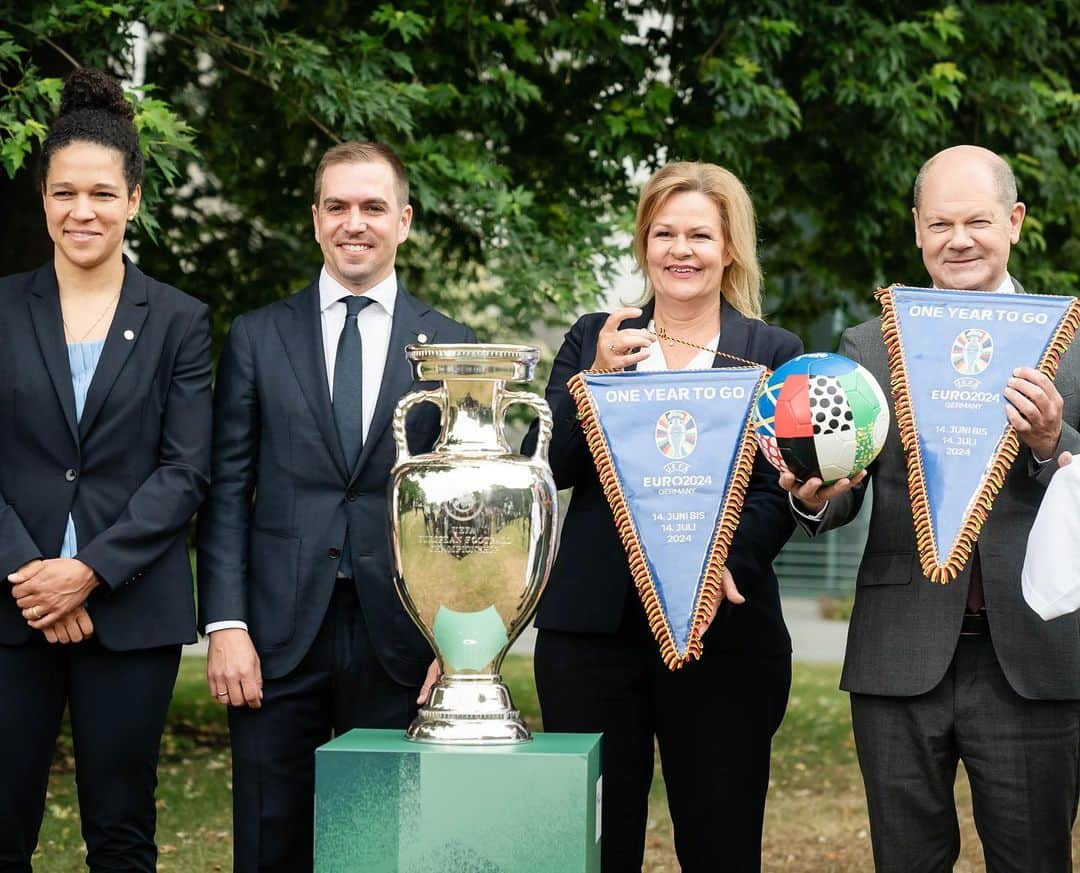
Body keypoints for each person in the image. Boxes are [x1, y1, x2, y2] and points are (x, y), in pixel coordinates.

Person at [782, 145, 1080, 872]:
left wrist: (1052, 442)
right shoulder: (870, 346)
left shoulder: (1069, 343)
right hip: (899, 655)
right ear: (917, 229)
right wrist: (817, 494)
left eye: (977, 220)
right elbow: (842, 491)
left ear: (1013, 222)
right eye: (940, 222)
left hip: (1034, 661)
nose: (959, 239)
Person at [196, 140, 475, 872]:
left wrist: (460, 646)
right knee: (269, 838)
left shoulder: (450, 344)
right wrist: (225, 623)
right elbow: (226, 490)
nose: (356, 222)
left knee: (378, 846)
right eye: (338, 206)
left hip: (401, 638)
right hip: (274, 637)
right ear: (316, 218)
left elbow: (465, 512)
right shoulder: (258, 336)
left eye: (373, 207)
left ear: (404, 220)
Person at [523, 161, 803, 872]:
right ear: (645, 243)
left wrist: (719, 571)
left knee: (720, 845)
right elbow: (547, 466)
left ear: (729, 248)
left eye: (700, 235)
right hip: (592, 639)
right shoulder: (596, 336)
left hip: (726, 634)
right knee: (593, 849)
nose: (681, 250)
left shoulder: (775, 353)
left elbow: (777, 492)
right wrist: (596, 383)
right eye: (665, 233)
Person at [0, 68, 212, 871]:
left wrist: (86, 570)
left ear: (134, 200)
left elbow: (185, 470)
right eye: (63, 192)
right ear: (43, 199)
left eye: (100, 192)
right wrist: (34, 574)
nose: (80, 211)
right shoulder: (1, 311)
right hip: (9, 606)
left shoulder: (181, 321)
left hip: (130, 612)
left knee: (121, 833)